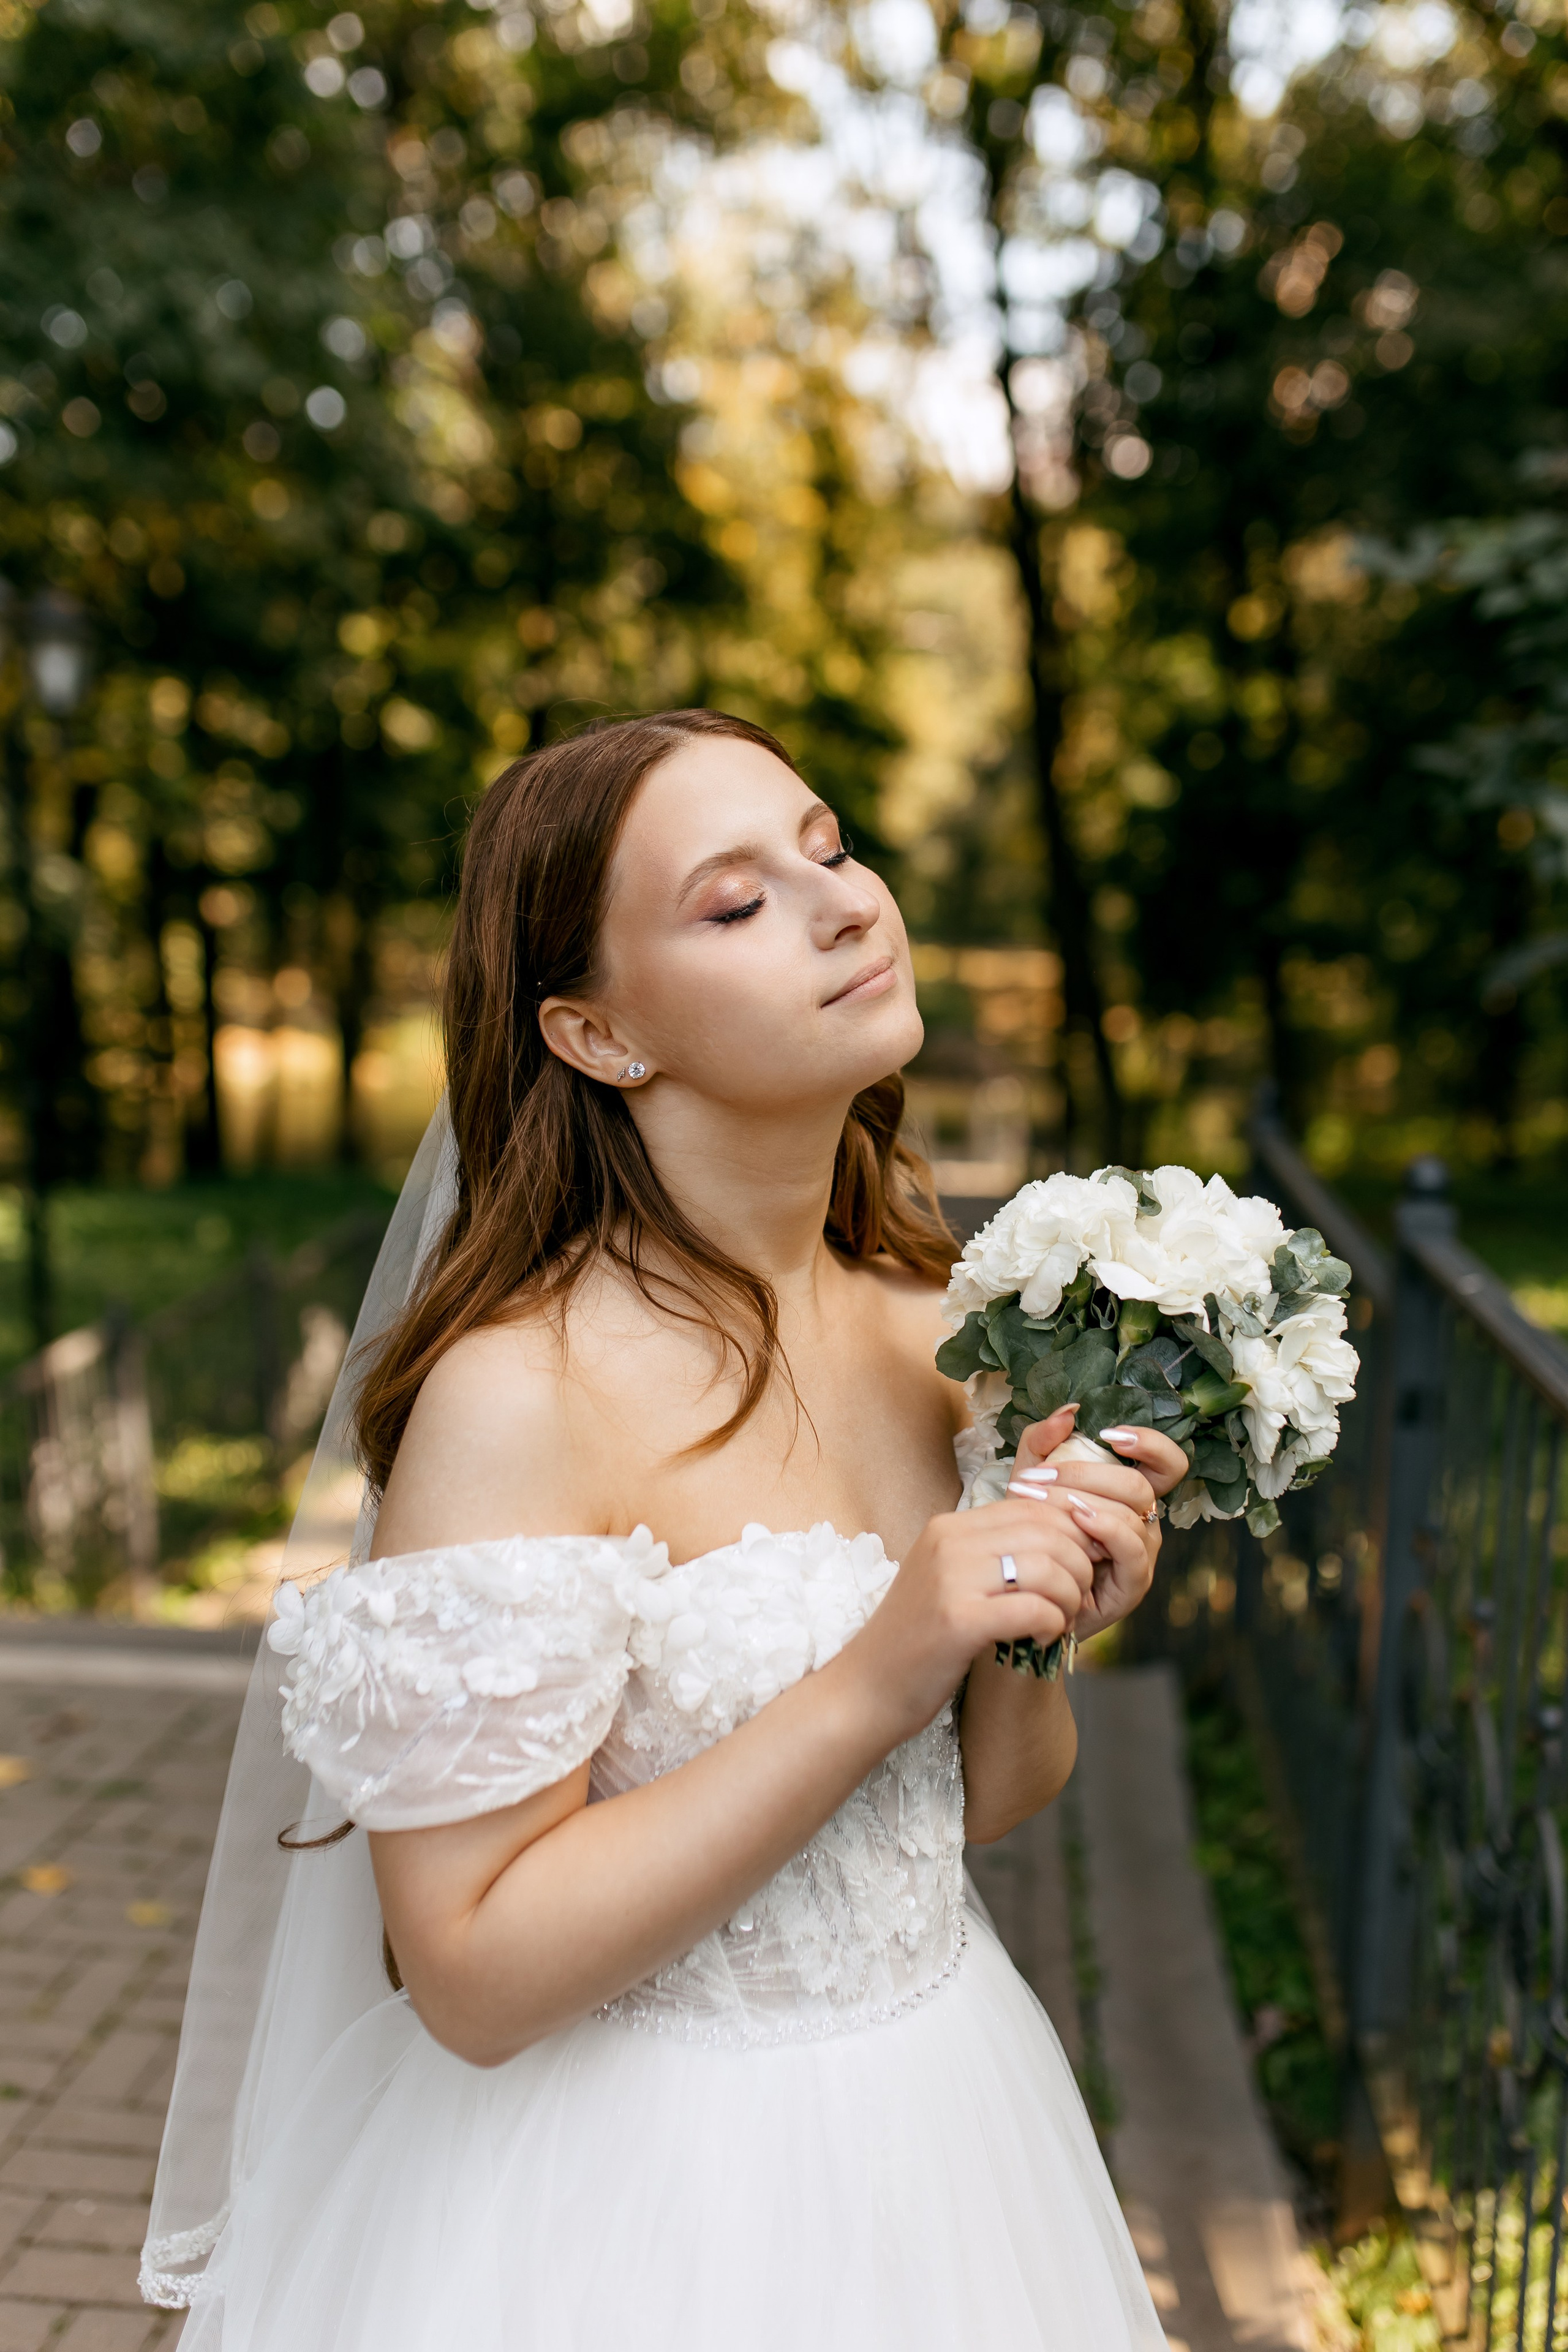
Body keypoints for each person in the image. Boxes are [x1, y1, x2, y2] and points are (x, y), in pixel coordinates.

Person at [144, 709, 1189, 2350]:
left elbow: (985, 1798)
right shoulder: (522, 1397)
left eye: (829, 845)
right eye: (734, 900)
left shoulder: (934, 1323)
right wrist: (883, 1661)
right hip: (622, 2207)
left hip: (945, 2134)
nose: (845, 902)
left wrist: (1040, 1615)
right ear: (597, 1034)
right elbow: (473, 1974)